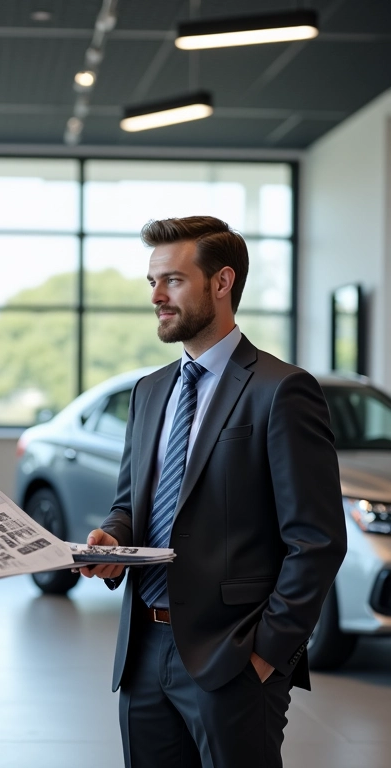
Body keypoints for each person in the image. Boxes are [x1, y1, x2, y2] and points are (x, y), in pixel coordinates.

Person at [82, 216, 346, 768]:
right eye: (152, 282)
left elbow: (317, 541)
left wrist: (267, 655)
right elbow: (132, 503)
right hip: (142, 653)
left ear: (222, 283)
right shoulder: (150, 391)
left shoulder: (282, 391)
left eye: (172, 281)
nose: (156, 296)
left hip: (233, 657)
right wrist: (113, 538)